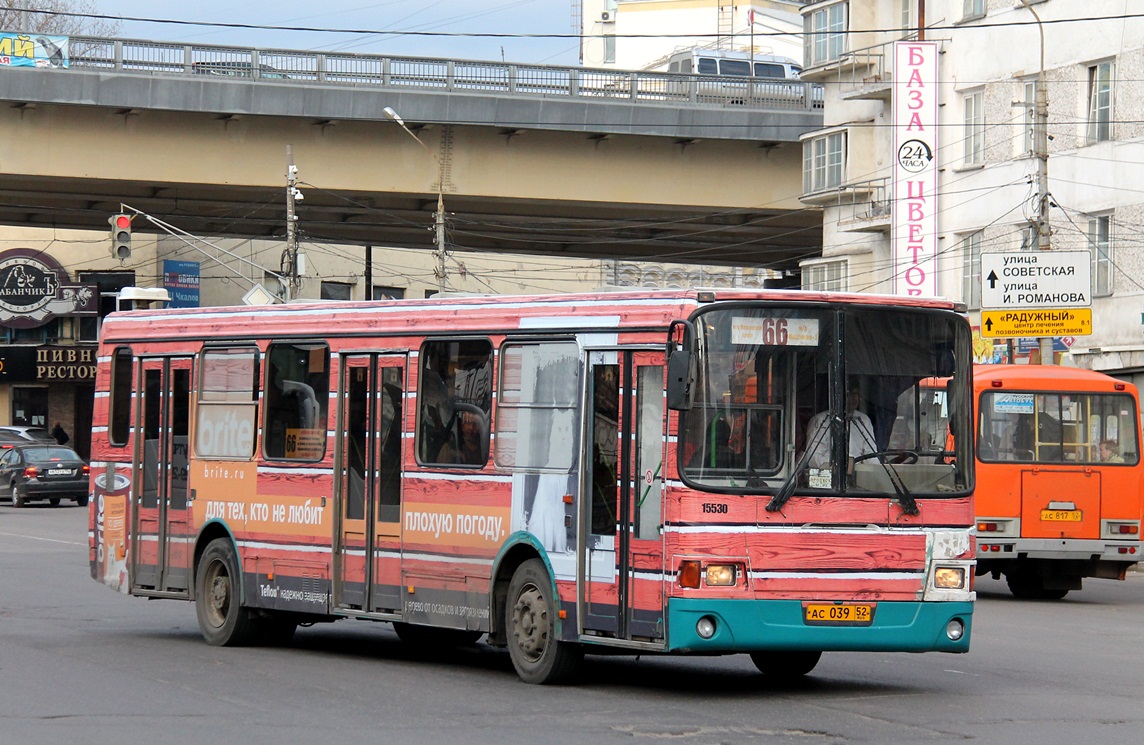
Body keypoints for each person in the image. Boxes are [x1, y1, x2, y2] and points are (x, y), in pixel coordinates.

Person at [806, 386, 876, 471]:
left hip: (859, 476)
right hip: (829, 476)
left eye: (856, 393)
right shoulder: (820, 420)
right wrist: (836, 467)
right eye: (848, 394)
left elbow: (871, 455)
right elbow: (812, 457)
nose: (854, 398)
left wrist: (877, 474)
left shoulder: (863, 420)